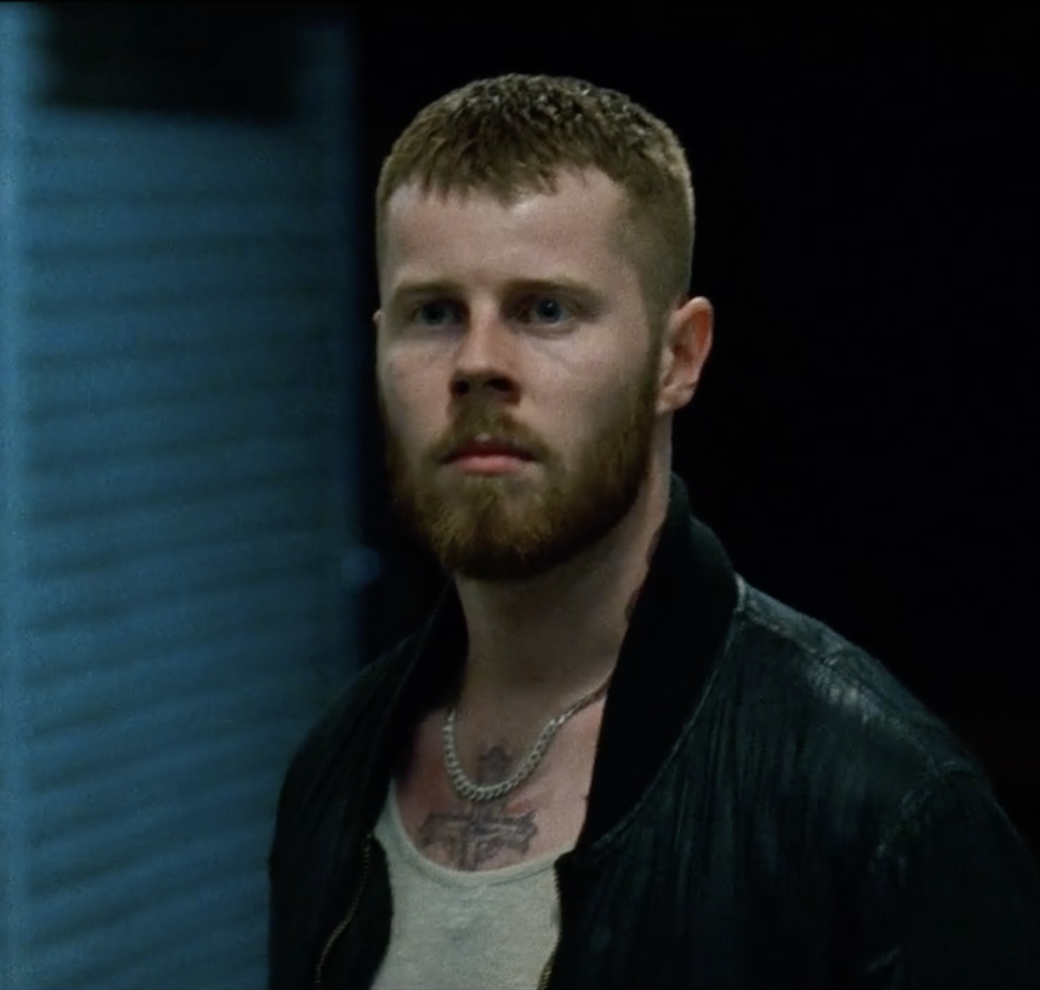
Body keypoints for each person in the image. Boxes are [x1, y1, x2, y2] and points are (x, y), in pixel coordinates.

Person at [267, 73, 1040, 989]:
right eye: (434, 313)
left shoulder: (880, 807)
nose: (477, 362)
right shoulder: (337, 766)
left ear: (679, 357)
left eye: (544, 310)